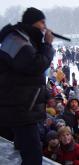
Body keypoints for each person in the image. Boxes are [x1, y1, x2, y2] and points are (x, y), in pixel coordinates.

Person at [0, 7, 54, 165]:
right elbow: (35, 65)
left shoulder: (23, 38)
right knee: (33, 154)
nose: (44, 26)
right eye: (41, 22)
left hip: (22, 103)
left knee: (24, 146)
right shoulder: (16, 40)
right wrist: (48, 45)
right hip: (20, 106)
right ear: (32, 22)